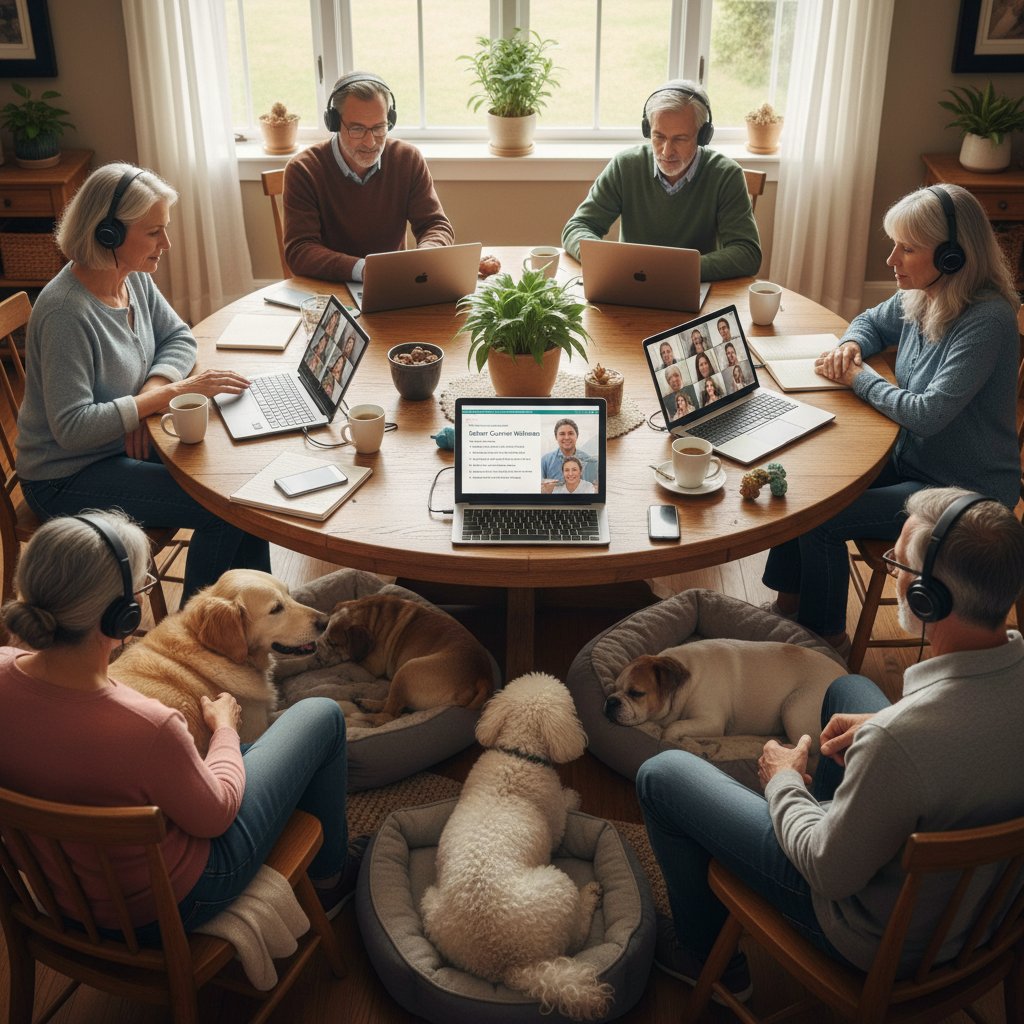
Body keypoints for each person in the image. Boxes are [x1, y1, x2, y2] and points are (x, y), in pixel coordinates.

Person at [638, 487, 1024, 1000]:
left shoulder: (898, 743)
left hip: (867, 935)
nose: (893, 574)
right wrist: (885, 723)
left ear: (926, 598)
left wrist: (782, 783)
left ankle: (707, 958)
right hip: (984, 917)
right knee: (848, 688)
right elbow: (953, 740)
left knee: (661, 775)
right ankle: (831, 807)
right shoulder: (921, 726)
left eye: (898, 566)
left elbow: (827, 870)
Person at [0, 511, 364, 941]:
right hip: (169, 907)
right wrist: (225, 729)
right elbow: (217, 815)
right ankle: (330, 879)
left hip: (52, 893)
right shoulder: (150, 726)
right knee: (321, 715)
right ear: (123, 617)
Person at [762, 184, 1020, 654]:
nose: (891, 259)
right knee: (807, 488)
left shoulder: (987, 320)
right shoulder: (924, 292)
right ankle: (787, 608)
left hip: (961, 489)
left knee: (820, 520)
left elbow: (927, 414)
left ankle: (824, 643)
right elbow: (869, 320)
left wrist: (858, 378)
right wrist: (851, 345)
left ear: (951, 257)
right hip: (912, 460)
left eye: (907, 248)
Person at [15, 163, 271, 603]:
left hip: (117, 446)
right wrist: (165, 396)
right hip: (64, 476)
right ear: (107, 234)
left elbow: (180, 337)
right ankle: (197, 637)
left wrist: (148, 396)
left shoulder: (132, 279)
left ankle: (262, 620)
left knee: (241, 481)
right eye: (154, 232)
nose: (166, 244)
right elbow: (71, 428)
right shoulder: (65, 313)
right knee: (223, 508)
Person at [561, 80, 761, 281]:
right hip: (632, 283)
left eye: (680, 139)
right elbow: (577, 227)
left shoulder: (726, 175)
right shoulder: (625, 166)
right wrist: (609, 262)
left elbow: (747, 253)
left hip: (693, 285)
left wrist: (673, 271)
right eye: (658, 137)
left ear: (703, 136)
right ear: (647, 129)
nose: (666, 151)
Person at [283, 72, 455, 282]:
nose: (370, 142)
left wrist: (425, 255)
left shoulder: (407, 159)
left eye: (379, 128)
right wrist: (365, 269)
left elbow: (435, 225)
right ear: (334, 123)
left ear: (389, 121)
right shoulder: (303, 169)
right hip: (328, 289)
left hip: (394, 284)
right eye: (357, 129)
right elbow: (300, 250)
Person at [540, 418, 598, 492]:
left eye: (570, 433)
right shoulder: (546, 461)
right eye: (562, 434)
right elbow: (538, 487)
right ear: (556, 437)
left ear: (577, 436)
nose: (567, 437)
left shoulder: (591, 463)